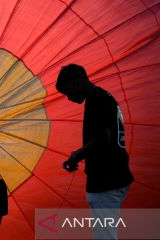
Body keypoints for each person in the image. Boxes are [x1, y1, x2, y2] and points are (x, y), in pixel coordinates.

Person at [56, 64, 134, 239]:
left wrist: (78, 154)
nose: (68, 98)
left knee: (105, 236)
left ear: (77, 82)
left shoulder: (96, 100)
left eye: (67, 92)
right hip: (116, 177)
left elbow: (103, 138)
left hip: (106, 181)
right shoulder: (104, 97)